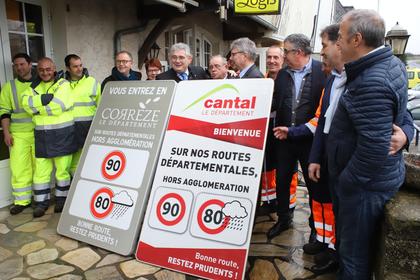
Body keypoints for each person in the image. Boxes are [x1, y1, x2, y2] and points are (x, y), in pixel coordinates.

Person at [328, 10, 411, 279]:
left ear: (357, 39)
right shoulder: (390, 65)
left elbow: (373, 150)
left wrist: (346, 182)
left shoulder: (371, 81)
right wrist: (407, 134)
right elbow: (403, 114)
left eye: (340, 37)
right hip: (373, 182)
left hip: (363, 189)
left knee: (353, 259)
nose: (337, 42)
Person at [267, 34, 326, 241]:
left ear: (298, 53)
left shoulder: (322, 71)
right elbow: (275, 103)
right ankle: (284, 219)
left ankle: (314, 229)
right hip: (284, 140)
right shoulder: (282, 75)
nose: (283, 55)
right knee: (282, 181)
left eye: (286, 51)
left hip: (310, 142)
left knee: (313, 186)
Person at [22, 57, 77, 217]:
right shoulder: (33, 86)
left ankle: (61, 200)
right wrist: (45, 101)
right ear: (37, 70)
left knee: (62, 172)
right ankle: (41, 203)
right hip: (42, 137)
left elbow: (58, 107)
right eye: (41, 70)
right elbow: (26, 105)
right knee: (41, 172)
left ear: (54, 69)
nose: (45, 73)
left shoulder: (64, 84)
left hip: (62, 135)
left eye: (48, 69)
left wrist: (37, 106)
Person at [0, 53, 35, 215]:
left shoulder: (39, 82)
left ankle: (40, 198)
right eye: (16, 65)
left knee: (40, 168)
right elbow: (4, 112)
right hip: (18, 135)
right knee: (19, 168)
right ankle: (22, 201)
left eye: (22, 64)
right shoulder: (9, 86)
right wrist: (6, 133)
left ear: (29, 64)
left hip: (38, 133)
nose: (19, 68)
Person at [64, 54, 101, 176]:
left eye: (80, 65)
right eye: (75, 66)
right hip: (68, 127)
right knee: (69, 162)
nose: (79, 69)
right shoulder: (61, 85)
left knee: (88, 159)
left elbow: (101, 106)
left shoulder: (92, 82)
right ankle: (75, 185)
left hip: (87, 127)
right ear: (68, 68)